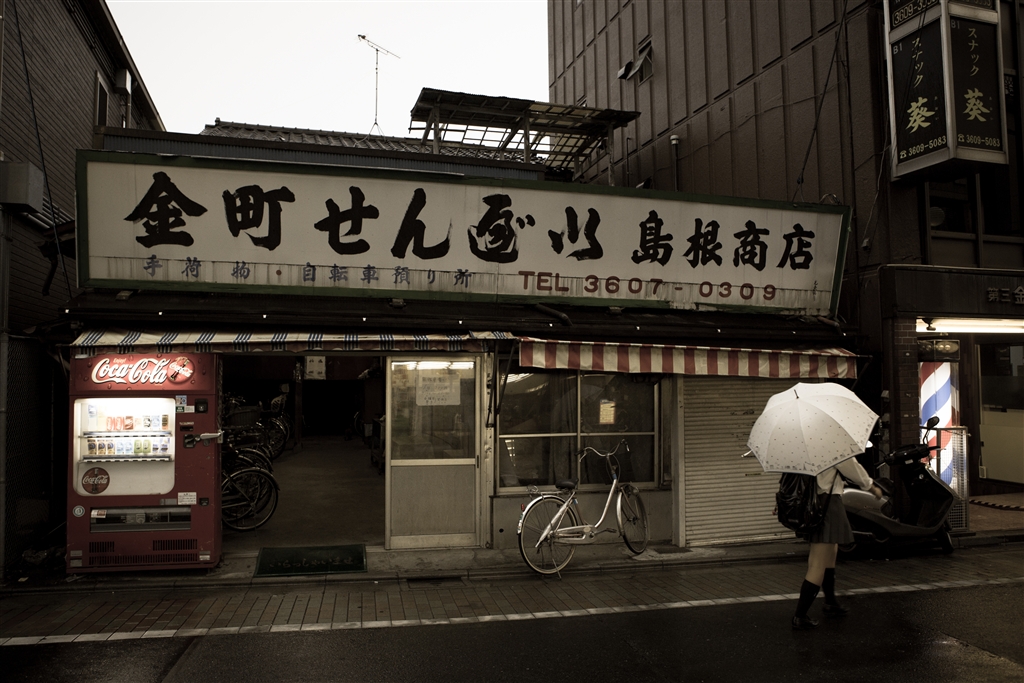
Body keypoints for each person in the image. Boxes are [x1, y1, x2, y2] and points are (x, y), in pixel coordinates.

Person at [792, 456, 882, 630]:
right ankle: (800, 615)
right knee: (817, 564)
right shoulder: (831, 446)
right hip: (826, 504)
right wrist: (872, 488)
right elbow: (851, 467)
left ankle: (830, 602)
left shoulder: (801, 450)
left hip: (812, 504)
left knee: (830, 555)